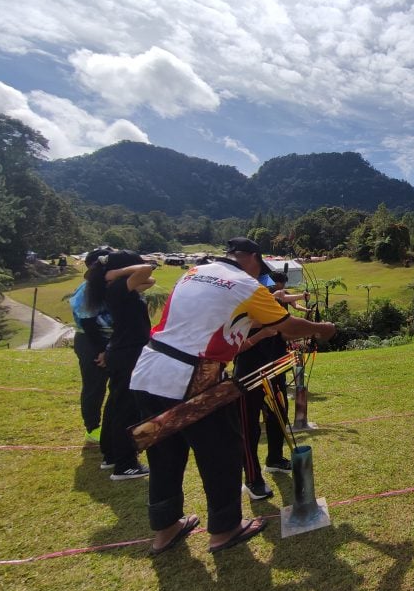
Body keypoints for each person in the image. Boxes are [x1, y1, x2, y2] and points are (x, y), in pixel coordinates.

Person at [129, 237, 335, 555]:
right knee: (222, 451)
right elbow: (289, 328)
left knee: (164, 455)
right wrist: (321, 328)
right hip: (191, 376)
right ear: (251, 259)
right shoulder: (246, 285)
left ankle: (165, 528)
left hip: (148, 370)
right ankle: (224, 530)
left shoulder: (194, 272)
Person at [85, 250, 154, 481]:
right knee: (127, 408)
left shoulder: (119, 288)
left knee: (115, 405)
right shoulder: (117, 287)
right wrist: (118, 272)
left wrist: (116, 272)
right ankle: (125, 464)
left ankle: (111, 454)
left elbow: (149, 278)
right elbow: (147, 270)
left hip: (122, 351)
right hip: (128, 353)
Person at [235, 271, 299, 500]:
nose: (271, 292)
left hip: (276, 369)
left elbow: (285, 325)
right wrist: (262, 333)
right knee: (249, 427)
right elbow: (234, 347)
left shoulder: (274, 307)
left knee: (278, 415)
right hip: (249, 374)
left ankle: (275, 458)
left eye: (270, 289)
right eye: (265, 289)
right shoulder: (242, 311)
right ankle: (252, 479)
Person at [69, 248, 113, 442]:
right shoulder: (87, 290)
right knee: (94, 386)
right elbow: (88, 323)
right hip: (91, 341)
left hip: (107, 341)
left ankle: (113, 424)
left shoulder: (106, 286)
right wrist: (101, 351)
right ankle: (93, 427)